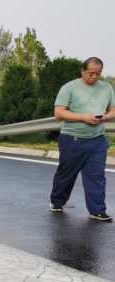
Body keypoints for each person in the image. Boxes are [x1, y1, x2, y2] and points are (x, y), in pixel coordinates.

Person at [50, 57, 115, 221]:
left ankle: (97, 210)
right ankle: (57, 201)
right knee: (66, 175)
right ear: (83, 71)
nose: (94, 77)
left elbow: (113, 111)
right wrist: (83, 117)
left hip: (97, 140)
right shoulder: (69, 87)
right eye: (91, 73)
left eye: (98, 73)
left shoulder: (106, 88)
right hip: (72, 139)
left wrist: (104, 117)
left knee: (96, 176)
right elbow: (59, 113)